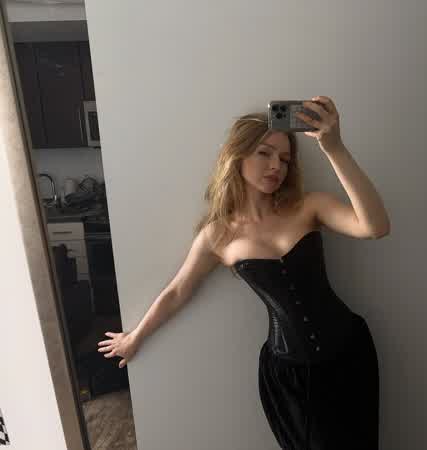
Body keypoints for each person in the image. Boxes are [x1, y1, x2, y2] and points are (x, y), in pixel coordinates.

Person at [98, 95, 390, 449]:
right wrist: (135, 338)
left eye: (285, 159)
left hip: (348, 353)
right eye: (264, 153)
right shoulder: (218, 234)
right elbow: (177, 291)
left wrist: (334, 148)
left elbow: (375, 226)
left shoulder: (309, 206)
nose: (276, 166)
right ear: (237, 156)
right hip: (289, 375)